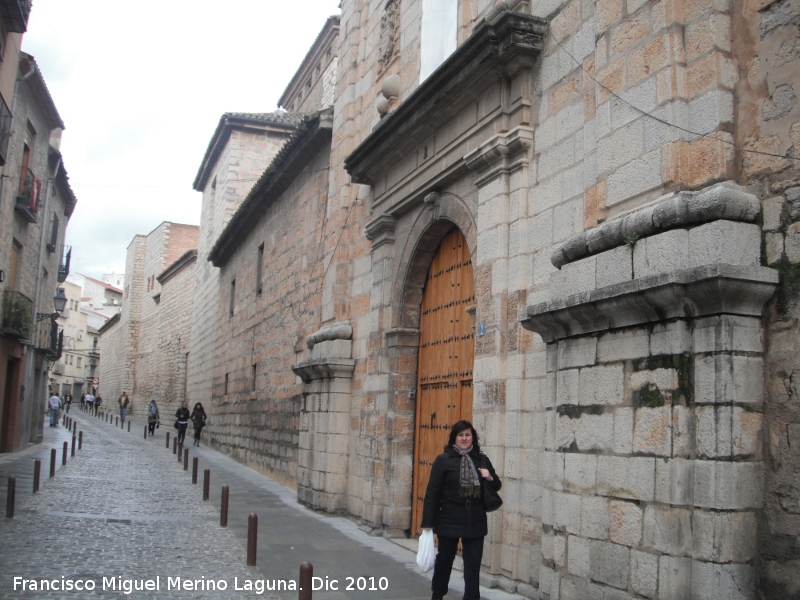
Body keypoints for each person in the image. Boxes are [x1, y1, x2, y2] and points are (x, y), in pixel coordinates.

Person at [421, 420, 501, 600]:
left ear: (472, 437)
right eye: (460, 435)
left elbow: (497, 485)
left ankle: (472, 597)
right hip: (449, 517)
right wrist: (428, 524)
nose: (464, 439)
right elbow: (432, 492)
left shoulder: (481, 459)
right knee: (444, 561)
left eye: (467, 435)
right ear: (454, 438)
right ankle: (438, 594)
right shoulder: (443, 460)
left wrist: (489, 477)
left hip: (475, 518)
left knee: (472, 564)